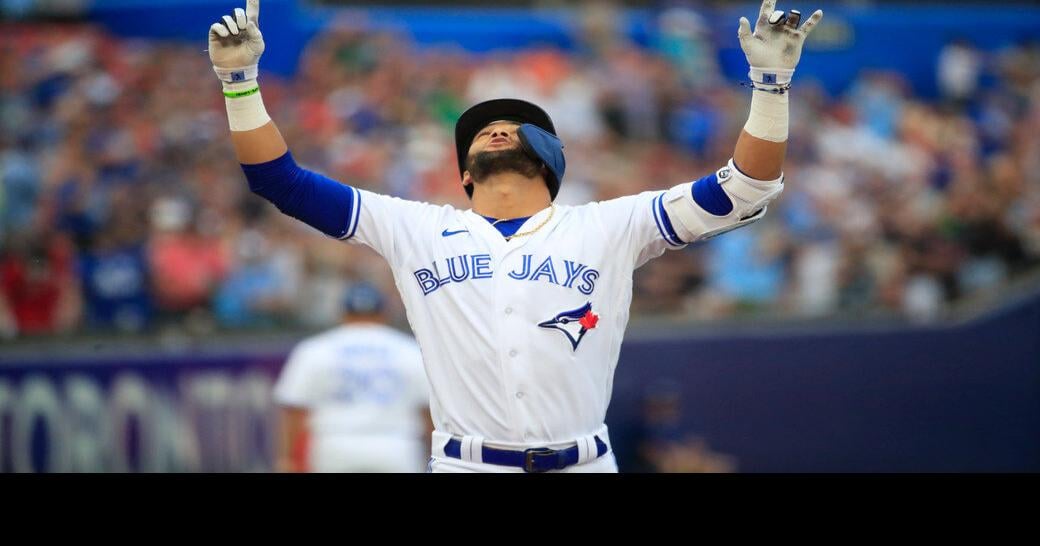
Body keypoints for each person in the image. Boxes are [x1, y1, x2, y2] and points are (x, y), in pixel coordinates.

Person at [208, 0, 822, 472]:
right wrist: (239, 84)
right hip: (465, 462)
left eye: (517, 126)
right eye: (482, 129)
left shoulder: (608, 224)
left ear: (553, 159)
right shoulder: (416, 227)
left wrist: (769, 89)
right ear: (466, 173)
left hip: (584, 459)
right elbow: (278, 181)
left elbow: (745, 187)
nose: (496, 128)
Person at [273, 281, 431, 472]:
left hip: (335, 443)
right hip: (395, 444)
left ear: (343, 313)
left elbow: (294, 409)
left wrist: (287, 458)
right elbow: (428, 410)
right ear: (383, 313)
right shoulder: (409, 349)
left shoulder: (316, 349)